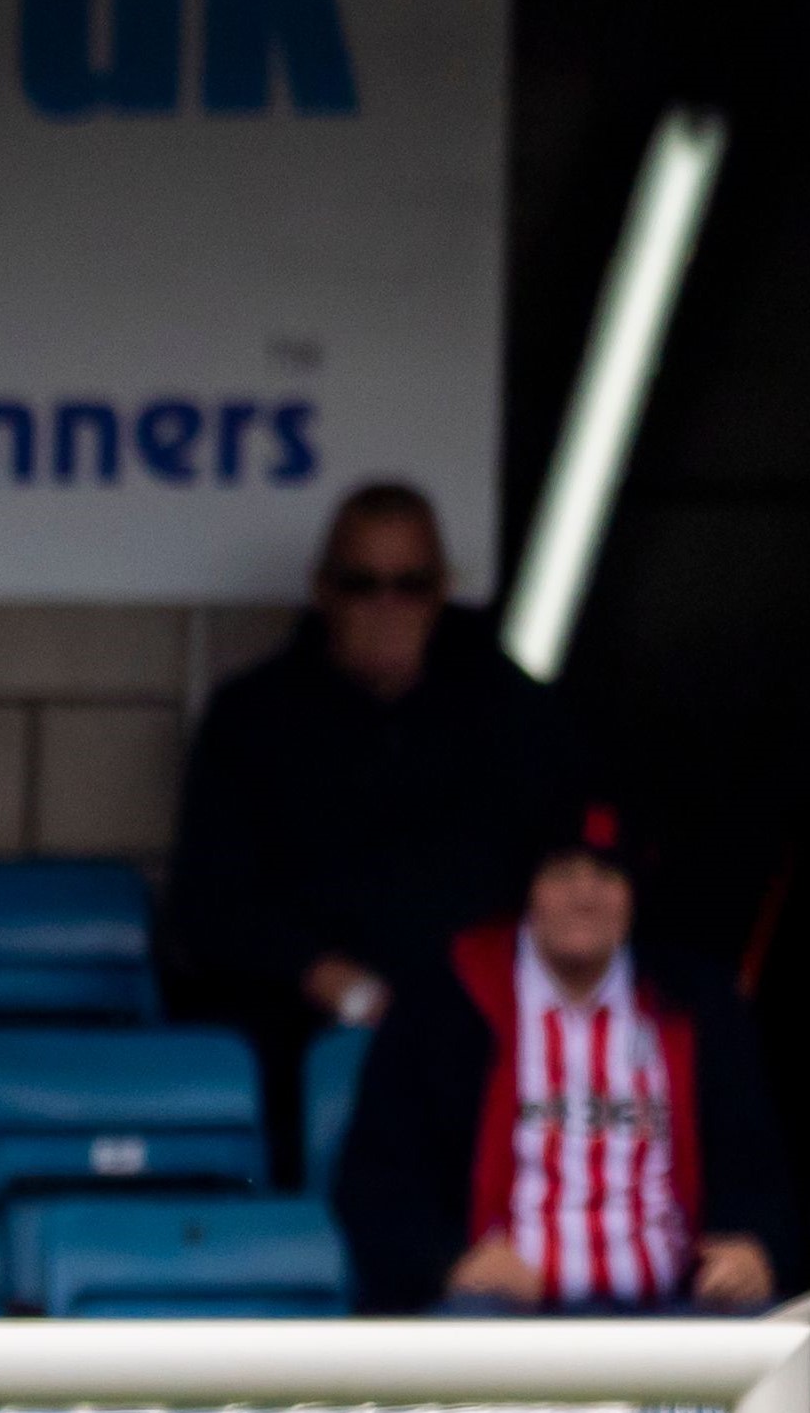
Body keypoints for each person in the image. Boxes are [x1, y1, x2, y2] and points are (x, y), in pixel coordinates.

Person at [160, 480, 586, 1149]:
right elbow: (207, 905)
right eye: (363, 584)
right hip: (301, 1034)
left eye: (409, 584)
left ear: (441, 588)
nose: (387, 606)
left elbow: (568, 879)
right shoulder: (253, 717)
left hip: (485, 1026)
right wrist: (331, 982)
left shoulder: (515, 715)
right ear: (323, 589)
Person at [335, 800, 785, 1314]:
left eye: (607, 875)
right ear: (530, 889)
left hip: (669, 1312)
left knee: (758, 1329)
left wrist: (754, 1247)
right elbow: (374, 1177)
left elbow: (756, 1164)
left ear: (633, 894)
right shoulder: (447, 1003)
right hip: (506, 1317)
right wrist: (451, 1261)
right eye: (563, 873)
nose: (584, 896)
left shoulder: (696, 1006)